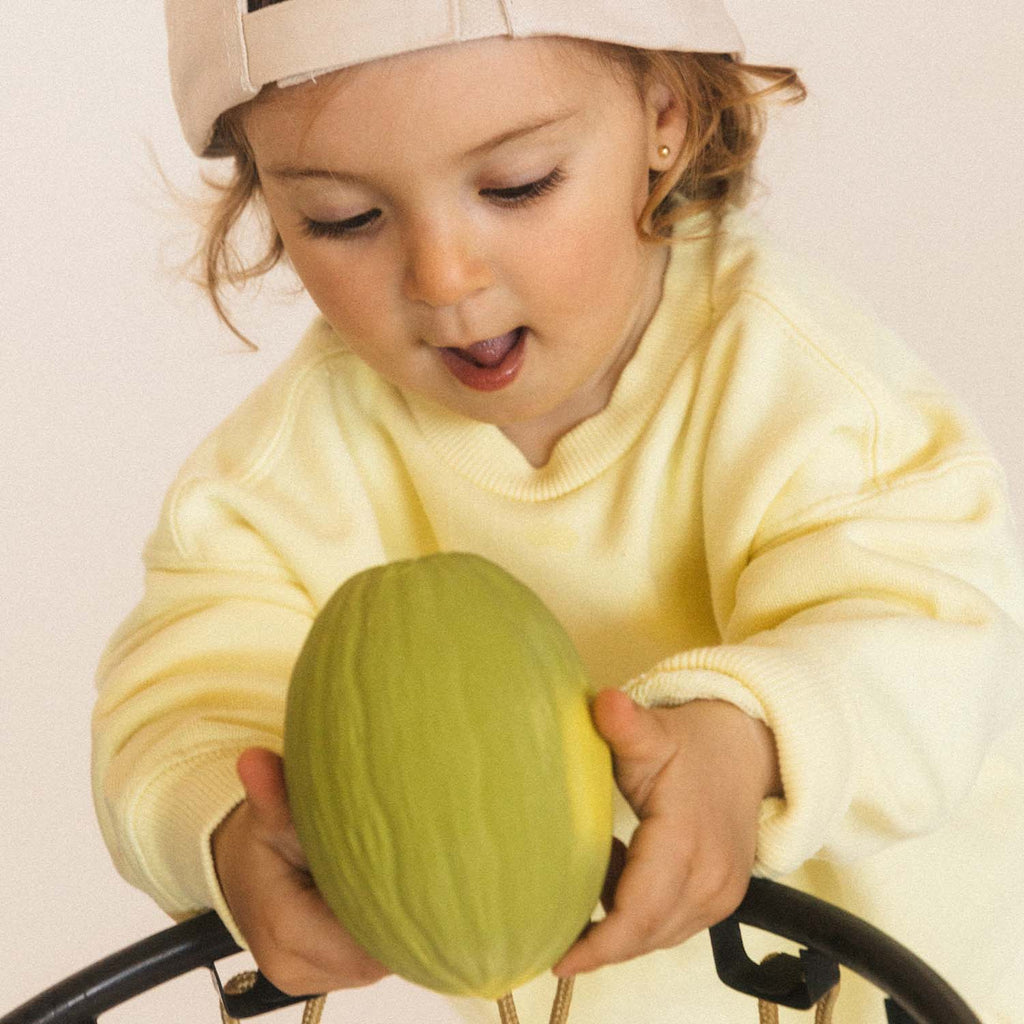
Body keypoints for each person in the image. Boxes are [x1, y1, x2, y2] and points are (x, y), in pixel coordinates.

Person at [92, 1, 1024, 1021]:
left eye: (516, 184)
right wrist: (226, 826)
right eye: (344, 217)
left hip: (911, 982)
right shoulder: (285, 471)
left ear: (663, 115)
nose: (443, 276)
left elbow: (929, 638)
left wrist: (747, 739)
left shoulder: (799, 387)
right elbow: (180, 700)